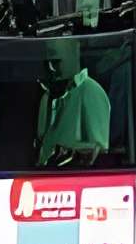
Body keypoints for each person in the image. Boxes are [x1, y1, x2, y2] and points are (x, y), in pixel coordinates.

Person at [34, 36, 114, 167]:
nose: (51, 68)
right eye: (47, 62)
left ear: (74, 51)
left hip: (70, 181)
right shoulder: (48, 96)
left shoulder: (91, 92)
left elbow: (97, 153)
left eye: (55, 61)